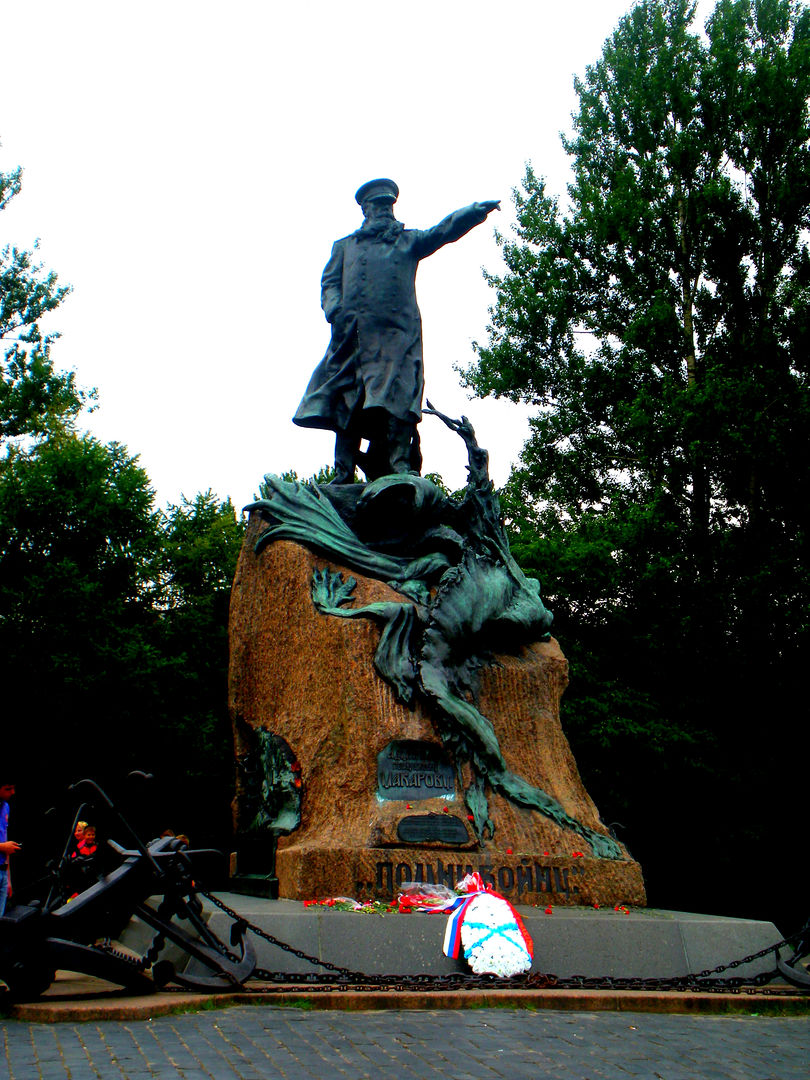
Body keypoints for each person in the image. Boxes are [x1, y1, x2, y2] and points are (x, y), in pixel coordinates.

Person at [293, 179, 500, 483]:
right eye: (377, 206)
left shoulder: (407, 241)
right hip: (353, 339)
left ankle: (400, 464)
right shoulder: (345, 247)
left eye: (387, 206)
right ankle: (343, 472)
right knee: (348, 401)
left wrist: (473, 212)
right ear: (365, 210)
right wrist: (334, 309)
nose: (384, 211)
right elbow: (330, 283)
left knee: (400, 399)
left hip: (397, 339)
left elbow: (442, 231)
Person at [0, 777, 21, 916]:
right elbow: (4, 845)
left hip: (2, 870)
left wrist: (8, 880)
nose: (12, 792)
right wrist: (2, 847)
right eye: (8, 789)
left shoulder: (5, 807)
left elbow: (5, 838)